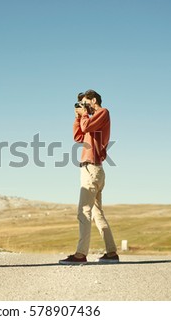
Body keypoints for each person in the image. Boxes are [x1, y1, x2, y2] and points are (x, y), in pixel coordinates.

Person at [59, 89, 119, 265]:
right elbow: (78, 136)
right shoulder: (91, 120)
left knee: (83, 211)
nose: (84, 107)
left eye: (85, 103)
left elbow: (86, 127)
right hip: (92, 170)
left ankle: (80, 255)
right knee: (97, 213)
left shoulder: (103, 112)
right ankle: (111, 253)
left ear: (93, 101)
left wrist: (84, 115)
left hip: (91, 169)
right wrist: (78, 117)